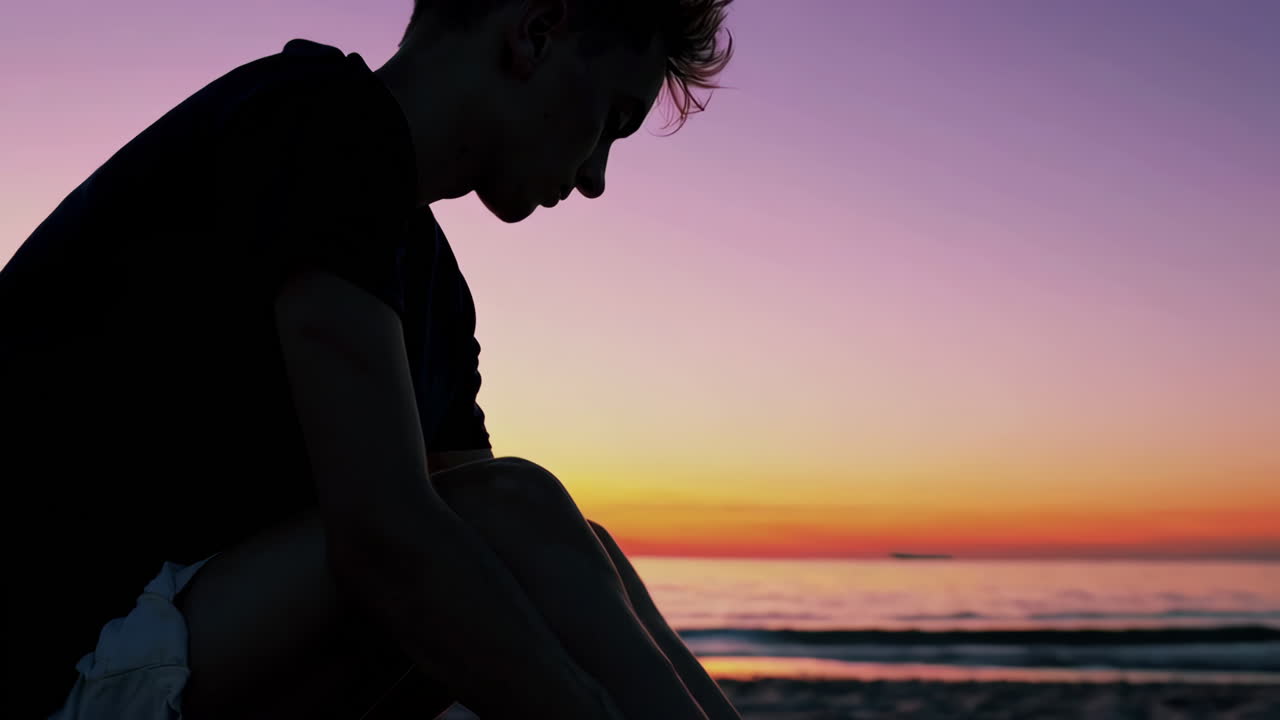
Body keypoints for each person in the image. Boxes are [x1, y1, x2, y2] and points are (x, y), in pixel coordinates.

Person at [0, 0, 737, 717]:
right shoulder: (316, 118)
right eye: (612, 121)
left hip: (168, 642)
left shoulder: (429, 281)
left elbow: (488, 549)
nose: (597, 176)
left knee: (573, 542)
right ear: (537, 32)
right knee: (518, 512)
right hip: (54, 654)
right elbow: (389, 539)